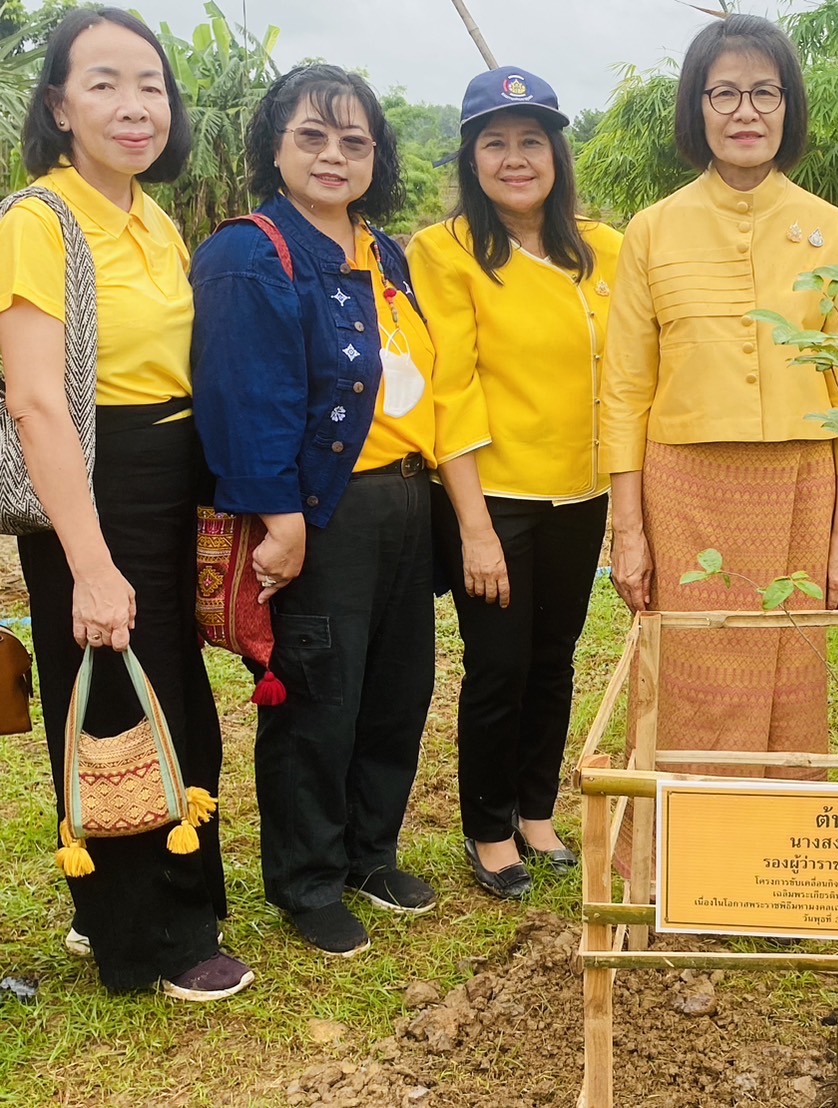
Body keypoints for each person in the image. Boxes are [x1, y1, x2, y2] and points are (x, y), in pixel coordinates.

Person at [191, 65, 481, 955]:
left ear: (376, 157)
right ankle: (307, 880)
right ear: (274, 147)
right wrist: (280, 517)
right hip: (323, 510)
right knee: (317, 697)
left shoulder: (381, 250)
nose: (334, 155)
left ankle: (369, 851)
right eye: (311, 136)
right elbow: (247, 398)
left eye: (354, 141)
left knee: (396, 689)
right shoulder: (252, 253)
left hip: (405, 501)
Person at [0, 8, 251, 998]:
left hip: (167, 473)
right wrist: (92, 564)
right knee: (115, 696)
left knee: (167, 685)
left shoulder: (151, 215)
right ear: (60, 106)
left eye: (150, 84)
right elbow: (34, 400)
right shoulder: (38, 220)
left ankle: (119, 901)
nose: (134, 105)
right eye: (102, 83)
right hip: (94, 478)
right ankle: (149, 942)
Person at [601, 14, 838, 804]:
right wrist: (628, 530)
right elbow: (624, 389)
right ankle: (678, 844)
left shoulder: (834, 231)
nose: (744, 111)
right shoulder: (650, 231)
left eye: (763, 92)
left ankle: (774, 845)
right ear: (697, 106)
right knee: (686, 667)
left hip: (800, 486)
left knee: (791, 666)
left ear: (788, 107)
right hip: (682, 489)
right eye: (724, 93)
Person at [407, 67, 621, 900]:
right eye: (494, 143)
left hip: (582, 491)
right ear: (471, 158)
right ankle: (489, 827)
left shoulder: (604, 248)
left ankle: (536, 812)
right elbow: (450, 389)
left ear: (557, 154)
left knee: (554, 658)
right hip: (494, 496)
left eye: (531, 140)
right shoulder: (445, 250)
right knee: (499, 664)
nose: (515, 158)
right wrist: (474, 527)